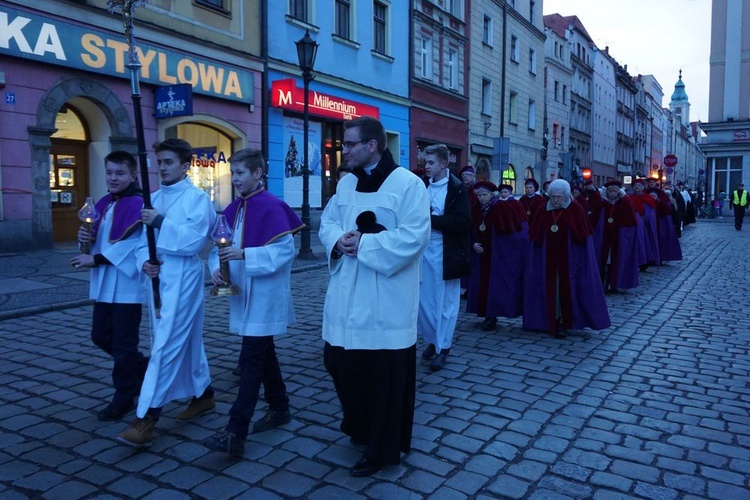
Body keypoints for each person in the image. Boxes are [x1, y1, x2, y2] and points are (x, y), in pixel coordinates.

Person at [319, 116, 431, 476]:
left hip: (386, 297)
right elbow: (328, 222)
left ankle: (382, 449)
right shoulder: (346, 184)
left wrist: (365, 243)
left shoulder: (409, 184)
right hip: (346, 292)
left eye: (350, 144)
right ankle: (360, 424)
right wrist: (338, 240)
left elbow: (415, 237)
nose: (344, 149)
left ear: (372, 145)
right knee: (339, 362)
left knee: (383, 376)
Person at [202, 149, 304, 456]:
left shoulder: (274, 206)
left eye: (240, 173)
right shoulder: (233, 208)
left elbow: (286, 252)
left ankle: (236, 430)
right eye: (232, 174)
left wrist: (246, 254)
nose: (235, 179)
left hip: (266, 296)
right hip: (243, 293)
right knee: (264, 354)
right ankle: (280, 406)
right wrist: (217, 272)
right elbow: (215, 250)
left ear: (258, 174)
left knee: (250, 361)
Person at [116, 138, 216, 448]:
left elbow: (195, 241)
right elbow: (136, 243)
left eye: (168, 162)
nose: (162, 167)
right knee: (182, 339)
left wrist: (160, 221)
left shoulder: (198, 199)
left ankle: (147, 416)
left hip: (184, 275)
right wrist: (144, 261)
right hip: (158, 276)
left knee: (165, 343)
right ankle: (204, 394)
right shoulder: (153, 197)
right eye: (159, 162)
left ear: (186, 165)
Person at [69, 150, 148, 422]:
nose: (113, 178)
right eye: (110, 172)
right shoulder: (103, 202)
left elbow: (133, 246)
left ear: (133, 175)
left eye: (120, 173)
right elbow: (99, 237)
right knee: (100, 336)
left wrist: (96, 258)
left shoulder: (139, 204)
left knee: (125, 344)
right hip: (104, 285)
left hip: (127, 285)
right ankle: (145, 367)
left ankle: (124, 397)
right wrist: (85, 238)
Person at [523, 179, 610, 337]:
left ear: (566, 195)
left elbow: (582, 236)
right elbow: (536, 235)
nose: (556, 200)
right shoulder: (543, 209)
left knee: (568, 287)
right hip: (547, 258)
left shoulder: (575, 209)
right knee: (547, 286)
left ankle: (564, 320)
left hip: (570, 259)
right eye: (553, 196)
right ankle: (547, 320)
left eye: (559, 197)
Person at [417, 144, 472, 371]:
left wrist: (431, 220)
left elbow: (462, 223)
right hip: (423, 253)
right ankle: (432, 339)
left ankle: (444, 347)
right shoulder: (420, 186)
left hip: (447, 253)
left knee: (446, 304)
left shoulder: (457, 189)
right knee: (425, 302)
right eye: (425, 162)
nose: (426, 167)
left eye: (430, 163)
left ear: (443, 163)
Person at [466, 182, 528, 331]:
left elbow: (513, 231)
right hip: (480, 254)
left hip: (497, 255)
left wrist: (501, 247)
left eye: (485, 195)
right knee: (480, 283)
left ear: (492, 195)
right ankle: (484, 312)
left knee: (495, 285)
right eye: (479, 195)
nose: (482, 198)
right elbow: (468, 229)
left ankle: (491, 316)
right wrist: (472, 244)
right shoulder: (475, 209)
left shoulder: (501, 207)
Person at [593, 180, 642, 293]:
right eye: (610, 191)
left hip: (619, 237)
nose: (612, 193)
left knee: (616, 259)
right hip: (604, 236)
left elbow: (631, 220)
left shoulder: (625, 202)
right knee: (602, 259)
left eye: (614, 191)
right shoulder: (601, 202)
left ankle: (614, 282)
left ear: (618, 191)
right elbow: (594, 219)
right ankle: (603, 282)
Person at [626, 178, 660, 268]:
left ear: (642, 187)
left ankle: (645, 261)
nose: (637, 187)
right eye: (635, 186)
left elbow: (650, 213)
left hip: (645, 225)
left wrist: (642, 220)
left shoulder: (647, 198)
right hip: (632, 224)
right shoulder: (629, 198)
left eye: (639, 186)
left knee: (644, 242)